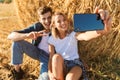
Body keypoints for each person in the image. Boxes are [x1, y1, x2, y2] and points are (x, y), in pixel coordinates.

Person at [48, 8, 111, 80]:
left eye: (64, 20)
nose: (63, 23)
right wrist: (50, 73)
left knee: (69, 78)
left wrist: (99, 31)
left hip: (75, 65)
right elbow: (51, 58)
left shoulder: (72, 34)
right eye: (59, 21)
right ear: (54, 25)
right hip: (61, 66)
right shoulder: (52, 39)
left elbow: (85, 36)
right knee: (56, 57)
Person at [7, 6, 52, 80]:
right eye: (44, 18)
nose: (47, 21)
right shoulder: (37, 26)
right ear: (39, 20)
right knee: (17, 42)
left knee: (45, 78)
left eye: (49, 17)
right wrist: (27, 35)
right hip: (37, 52)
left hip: (50, 58)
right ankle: (17, 71)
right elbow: (10, 36)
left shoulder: (58, 27)